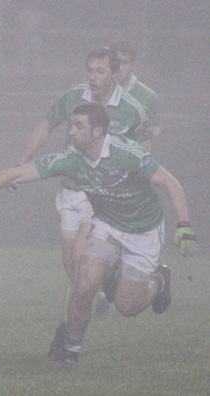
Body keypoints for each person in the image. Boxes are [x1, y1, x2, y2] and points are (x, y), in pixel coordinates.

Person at [0, 102, 198, 364]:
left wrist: (183, 225)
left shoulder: (127, 153)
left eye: (79, 126)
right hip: (107, 226)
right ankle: (71, 350)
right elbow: (18, 174)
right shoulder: (70, 158)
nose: (71, 131)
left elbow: (170, 182)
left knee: (127, 307)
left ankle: (159, 280)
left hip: (143, 232)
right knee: (83, 285)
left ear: (98, 131)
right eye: (72, 125)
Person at [13, 47, 151, 351]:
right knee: (73, 268)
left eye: (100, 71)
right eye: (90, 70)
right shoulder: (73, 96)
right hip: (69, 189)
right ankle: (105, 281)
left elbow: (144, 148)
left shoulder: (132, 109)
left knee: (80, 260)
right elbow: (46, 126)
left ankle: (67, 337)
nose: (93, 77)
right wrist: (23, 162)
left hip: (101, 193)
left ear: (116, 74)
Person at [111, 41, 162, 149]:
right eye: (116, 62)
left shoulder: (148, 96)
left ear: (132, 66)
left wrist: (137, 141)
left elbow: (156, 126)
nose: (119, 68)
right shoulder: (94, 91)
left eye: (124, 63)